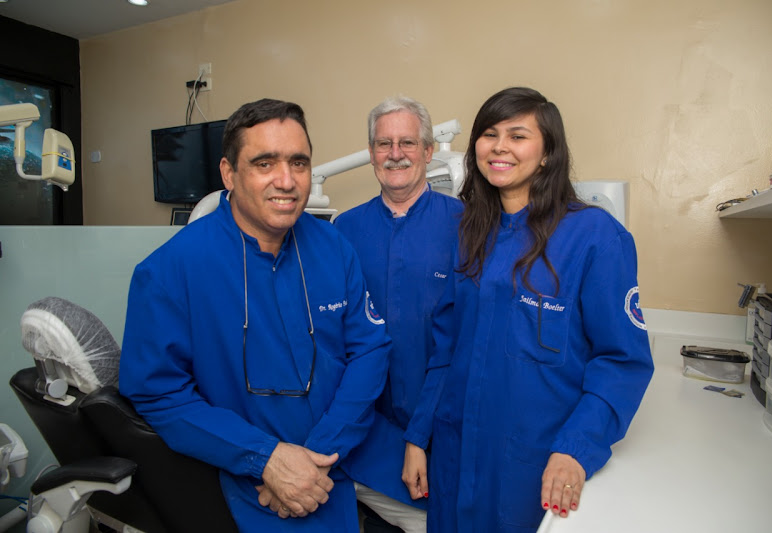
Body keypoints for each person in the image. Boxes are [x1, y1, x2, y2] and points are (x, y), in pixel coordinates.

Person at [119, 98, 391, 532]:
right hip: (250, 475)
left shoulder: (333, 246)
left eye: (299, 163)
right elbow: (158, 394)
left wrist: (319, 455)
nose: (286, 180)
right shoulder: (170, 270)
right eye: (265, 163)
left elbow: (370, 350)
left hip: (344, 446)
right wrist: (264, 458)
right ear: (229, 173)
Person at [403, 87, 655, 532]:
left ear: (546, 154)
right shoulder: (471, 233)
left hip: (532, 462)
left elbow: (622, 362)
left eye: (517, 135)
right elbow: (446, 348)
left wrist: (576, 447)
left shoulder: (594, 235)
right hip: (457, 450)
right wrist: (418, 436)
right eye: (489, 134)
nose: (499, 146)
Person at [334, 96, 463, 532]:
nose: (395, 154)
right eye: (383, 143)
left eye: (407, 142)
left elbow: (458, 341)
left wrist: (420, 435)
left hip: (442, 425)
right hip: (368, 426)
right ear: (371, 153)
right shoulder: (344, 230)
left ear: (428, 151)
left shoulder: (465, 224)